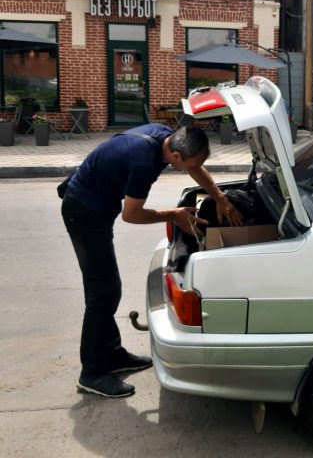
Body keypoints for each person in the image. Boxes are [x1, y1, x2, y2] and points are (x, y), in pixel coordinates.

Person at [61, 124, 243, 398]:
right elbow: (132, 214)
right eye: (189, 164)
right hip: (84, 212)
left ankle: (113, 355)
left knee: (108, 288)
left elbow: (195, 168)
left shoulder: (166, 137)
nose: (191, 169)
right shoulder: (144, 163)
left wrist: (219, 196)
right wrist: (175, 214)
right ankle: (92, 373)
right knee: (103, 292)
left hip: (94, 204)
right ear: (177, 156)